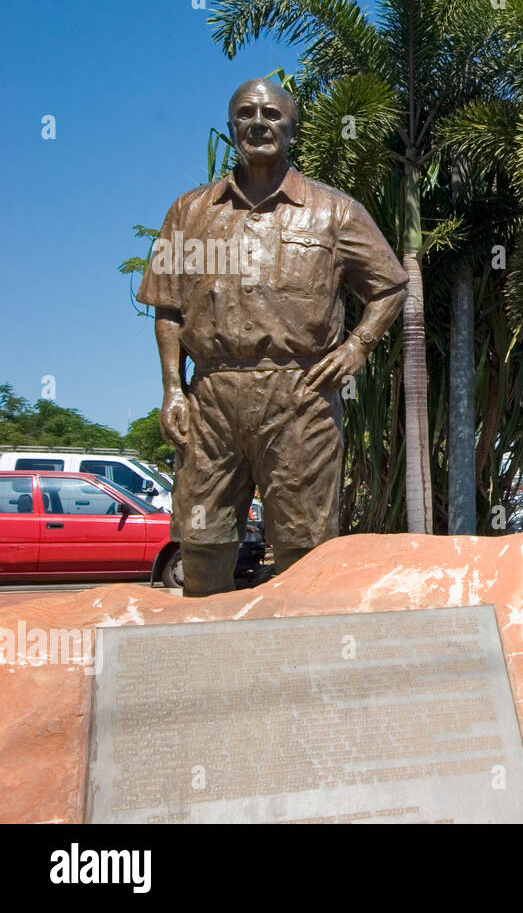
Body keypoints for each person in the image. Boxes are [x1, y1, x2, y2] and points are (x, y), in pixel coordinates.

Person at [138, 78, 407, 596]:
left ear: (292, 129)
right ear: (231, 125)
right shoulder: (190, 212)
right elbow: (167, 306)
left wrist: (359, 346)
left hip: (300, 396)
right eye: (246, 113)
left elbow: (390, 285)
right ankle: (205, 659)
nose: (258, 123)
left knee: (304, 543)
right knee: (201, 535)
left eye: (271, 114)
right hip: (211, 397)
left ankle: (302, 663)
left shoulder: (334, 211)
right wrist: (173, 386)